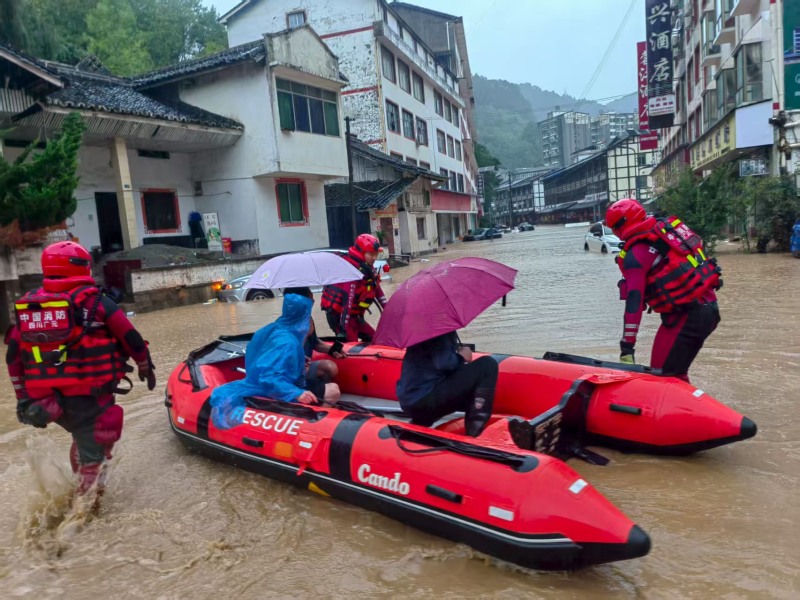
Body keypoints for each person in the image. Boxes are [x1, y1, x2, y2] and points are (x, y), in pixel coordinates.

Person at [5, 241, 155, 500]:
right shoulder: (98, 304)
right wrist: (144, 366)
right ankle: (85, 508)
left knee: (82, 436)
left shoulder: (33, 309)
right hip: (90, 398)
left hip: (46, 400)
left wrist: (22, 398)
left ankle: (82, 478)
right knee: (96, 451)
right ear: (83, 268)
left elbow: (12, 358)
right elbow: (132, 339)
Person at [606, 199, 722, 382]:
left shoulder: (636, 254)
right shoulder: (664, 232)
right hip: (707, 308)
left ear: (620, 226)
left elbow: (634, 305)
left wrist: (627, 348)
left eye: (613, 228)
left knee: (664, 377)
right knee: (671, 374)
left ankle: (688, 408)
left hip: (688, 316)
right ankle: (689, 405)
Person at [209, 293, 340, 429]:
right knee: (333, 391)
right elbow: (268, 377)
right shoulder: (287, 342)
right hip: (270, 389)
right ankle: (317, 425)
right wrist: (296, 393)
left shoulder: (270, 329)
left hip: (257, 380)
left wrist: (299, 361)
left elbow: (267, 359)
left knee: (322, 375)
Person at [396, 332, 498, 436]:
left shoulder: (420, 331)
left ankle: (419, 424)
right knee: (488, 364)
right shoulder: (438, 331)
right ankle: (475, 433)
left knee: (470, 387)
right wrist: (461, 357)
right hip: (424, 400)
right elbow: (443, 363)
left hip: (410, 402)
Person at [320, 234, 387, 342]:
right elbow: (348, 301)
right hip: (340, 317)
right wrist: (342, 330)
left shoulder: (368, 269)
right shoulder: (351, 271)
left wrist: (390, 312)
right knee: (352, 342)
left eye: (376, 254)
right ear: (361, 252)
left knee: (375, 339)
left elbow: (379, 292)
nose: (374, 258)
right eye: (371, 254)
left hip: (355, 317)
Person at [284, 287, 347, 396]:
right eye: (310, 299)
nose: (313, 302)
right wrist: (304, 335)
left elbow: (316, 343)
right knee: (333, 390)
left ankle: (321, 391)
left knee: (330, 367)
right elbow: (289, 357)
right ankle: (321, 395)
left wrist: (332, 350)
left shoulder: (308, 319)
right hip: (293, 372)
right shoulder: (285, 324)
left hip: (307, 367)